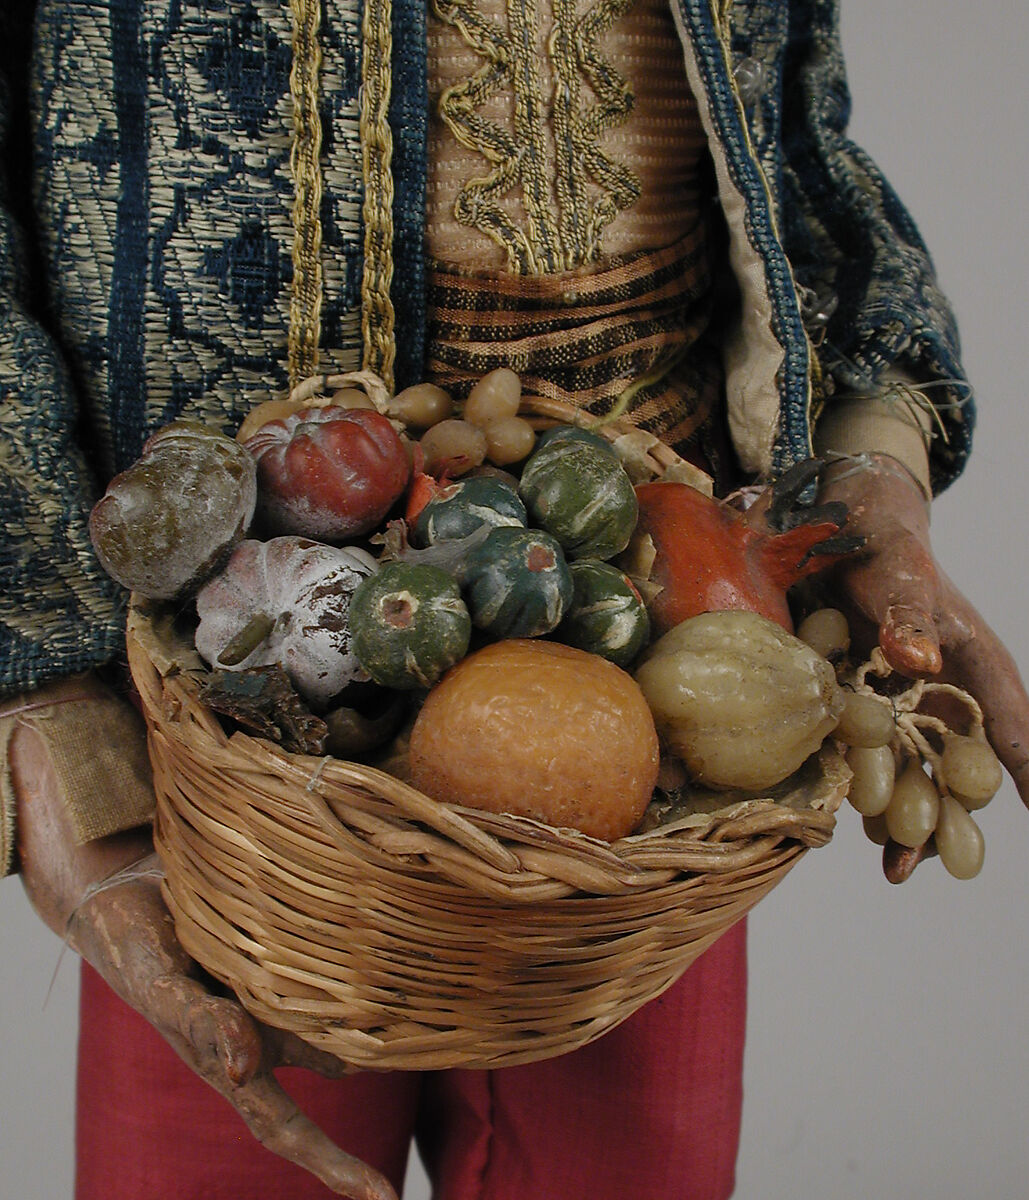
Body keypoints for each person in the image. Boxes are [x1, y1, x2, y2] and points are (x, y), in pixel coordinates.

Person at [2, 2, 1027, 1199]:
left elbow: (796, 144)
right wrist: (56, 736)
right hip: (215, 779)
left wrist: (869, 476)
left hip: (650, 749)